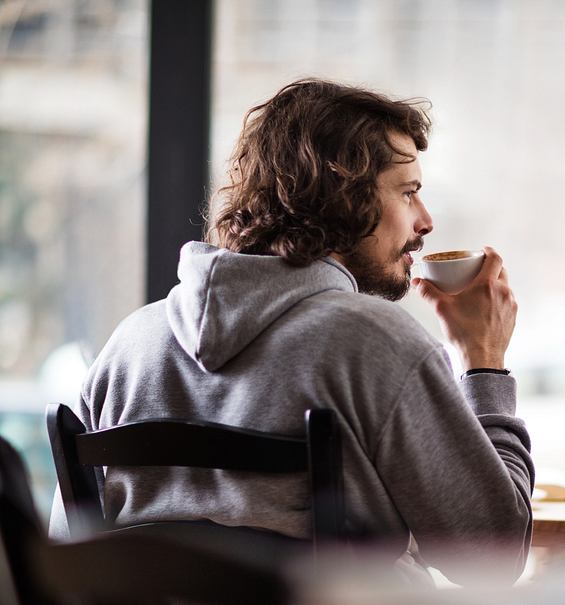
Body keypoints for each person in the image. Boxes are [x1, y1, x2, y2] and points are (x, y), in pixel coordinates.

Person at [48, 78, 534, 586]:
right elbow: (491, 558)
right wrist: (484, 360)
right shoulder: (376, 342)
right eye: (408, 193)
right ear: (345, 194)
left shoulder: (128, 347)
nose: (426, 221)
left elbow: (66, 557)